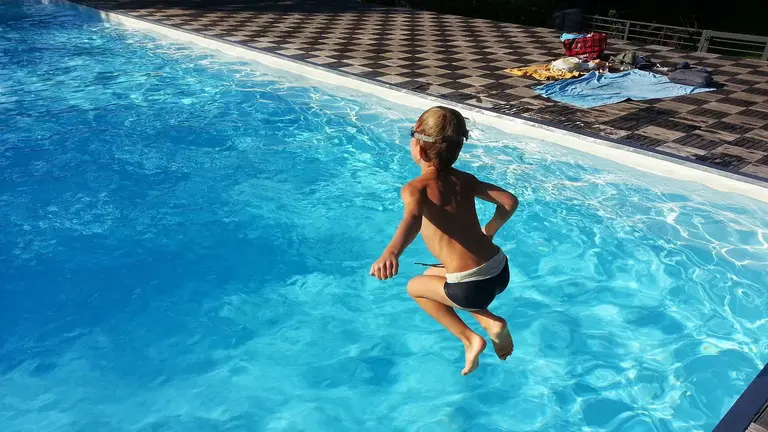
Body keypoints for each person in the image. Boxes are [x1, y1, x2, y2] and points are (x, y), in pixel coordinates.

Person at [370, 106, 519, 376]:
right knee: (431, 274)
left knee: (415, 287)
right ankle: (488, 322)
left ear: (419, 148)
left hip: (471, 288)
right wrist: (489, 230)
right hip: (500, 269)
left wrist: (392, 252)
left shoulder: (416, 188)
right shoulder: (465, 180)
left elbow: (413, 219)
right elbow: (509, 201)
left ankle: (470, 338)